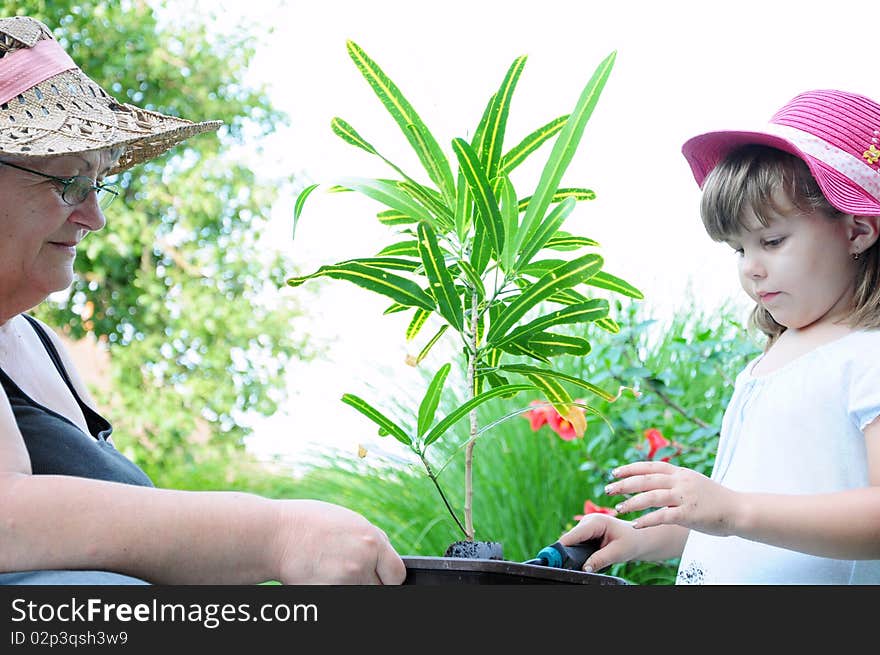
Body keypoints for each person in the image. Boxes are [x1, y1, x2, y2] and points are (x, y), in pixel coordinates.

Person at [0, 15, 405, 585]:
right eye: (68, 181)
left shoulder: (44, 348)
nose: (95, 216)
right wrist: (280, 534)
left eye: (99, 183)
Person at [559, 88, 880, 584]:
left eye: (772, 241)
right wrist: (643, 537)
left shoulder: (866, 356)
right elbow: (737, 521)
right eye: (738, 249)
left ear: (858, 230)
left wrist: (733, 510)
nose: (751, 268)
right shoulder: (774, 359)